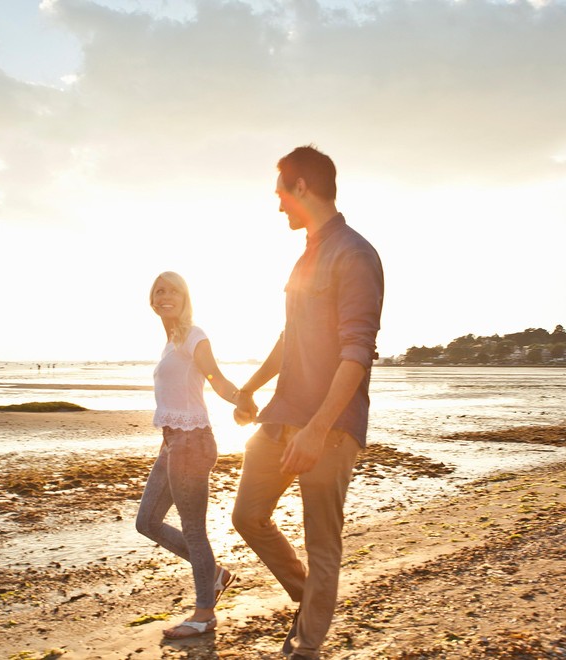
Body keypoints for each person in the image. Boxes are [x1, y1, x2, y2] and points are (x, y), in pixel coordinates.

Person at [231, 146, 384, 659]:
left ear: (301, 188)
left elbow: (357, 351)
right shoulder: (307, 254)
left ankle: (306, 649)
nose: (277, 206)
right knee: (247, 516)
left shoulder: (355, 254)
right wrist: (251, 387)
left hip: (330, 428)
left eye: (280, 193)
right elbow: (289, 336)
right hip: (279, 417)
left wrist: (319, 428)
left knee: (323, 546)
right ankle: (309, 599)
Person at [135, 271, 241, 639]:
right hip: (171, 443)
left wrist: (243, 401)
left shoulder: (194, 335)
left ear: (185, 297)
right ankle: (213, 574)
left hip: (192, 442)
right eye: (159, 291)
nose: (166, 296)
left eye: (173, 290)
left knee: (194, 531)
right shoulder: (170, 343)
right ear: (152, 301)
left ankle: (204, 614)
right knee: (147, 522)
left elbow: (216, 377)